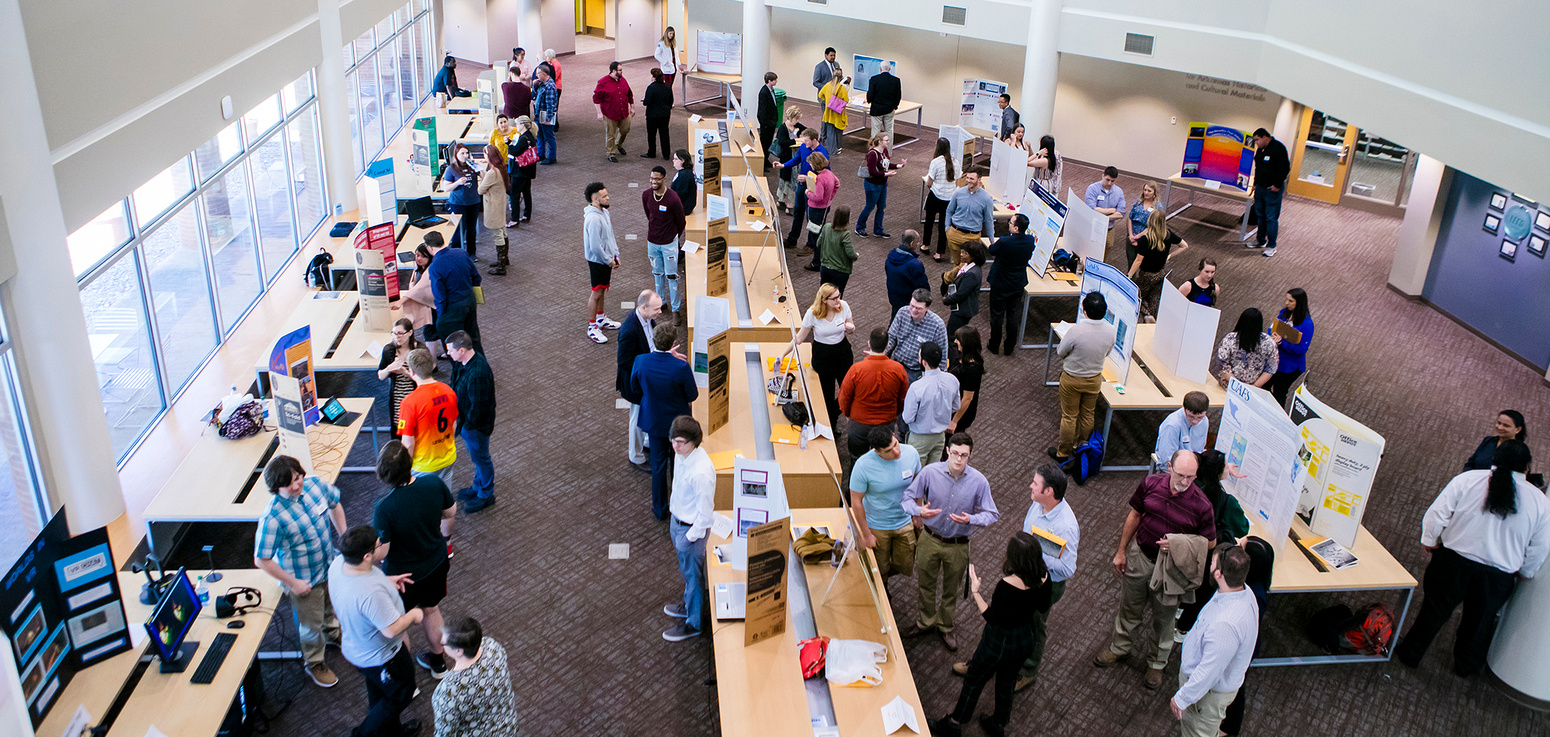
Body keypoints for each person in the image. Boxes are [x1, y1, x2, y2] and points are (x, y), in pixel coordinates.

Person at [1397, 440, 1550, 675]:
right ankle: (1465, 667)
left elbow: (1436, 515)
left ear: (1494, 459)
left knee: (1433, 612)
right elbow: (1540, 546)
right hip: (1497, 577)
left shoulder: (1467, 480)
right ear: (1527, 466)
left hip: (1452, 563)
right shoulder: (1540, 502)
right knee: (1478, 624)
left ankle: (1411, 653)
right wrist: (1525, 572)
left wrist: (1429, 541)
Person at [1094, 450, 1216, 690]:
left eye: (1191, 477)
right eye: (1181, 475)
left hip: (1171, 570)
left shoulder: (1202, 506)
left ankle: (1157, 664)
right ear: (1169, 467)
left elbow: (1210, 543)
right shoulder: (1150, 483)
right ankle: (1119, 647)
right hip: (1140, 556)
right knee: (1129, 607)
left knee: (1164, 619)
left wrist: (1180, 544)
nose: (1185, 482)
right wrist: (1121, 551)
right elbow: (1135, 515)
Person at [927, 532, 1051, 737]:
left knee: (974, 679)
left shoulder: (1007, 585)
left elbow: (992, 617)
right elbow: (1044, 606)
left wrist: (976, 592)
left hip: (999, 640)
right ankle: (998, 724)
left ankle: (954, 724)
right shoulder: (1045, 577)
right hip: (1024, 638)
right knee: (1007, 682)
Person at [254, 455, 346, 688]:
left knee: (330, 605)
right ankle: (314, 662)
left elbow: (335, 503)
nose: (297, 485)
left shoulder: (314, 485)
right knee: (310, 625)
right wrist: (292, 582)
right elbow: (261, 559)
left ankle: (333, 632)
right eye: (289, 484)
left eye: (298, 477)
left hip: (328, 564)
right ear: (276, 488)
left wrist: (344, 538)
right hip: (302, 579)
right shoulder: (272, 517)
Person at [901, 433, 998, 650]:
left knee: (951, 588)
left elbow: (992, 513)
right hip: (930, 538)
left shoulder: (979, 481)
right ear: (947, 451)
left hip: (958, 544)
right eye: (955, 453)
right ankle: (925, 622)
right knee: (925, 583)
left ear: (970, 455)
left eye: (964, 455)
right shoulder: (930, 472)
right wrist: (918, 510)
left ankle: (945, 625)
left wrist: (971, 519)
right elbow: (906, 498)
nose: (958, 459)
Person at [373, 441, 457, 678]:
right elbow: (450, 513)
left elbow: (384, 552)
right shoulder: (432, 482)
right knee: (432, 609)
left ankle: (406, 676)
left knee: (399, 623)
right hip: (436, 562)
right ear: (409, 463)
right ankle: (439, 663)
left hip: (402, 578)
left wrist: (370, 552)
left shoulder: (384, 508)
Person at [330, 525, 423, 737]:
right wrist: (414, 615)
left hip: (357, 647)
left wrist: (386, 582)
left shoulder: (339, 564)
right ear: (366, 556)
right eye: (377, 546)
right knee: (401, 694)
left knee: (379, 694)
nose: (380, 546)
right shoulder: (370, 593)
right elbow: (391, 630)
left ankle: (392, 733)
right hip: (383, 656)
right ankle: (362, 734)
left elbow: (355, 588)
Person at [999, 466, 1079, 693]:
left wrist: (1036, 556)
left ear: (1050, 491)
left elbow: (1067, 569)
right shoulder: (1038, 503)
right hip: (1025, 575)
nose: (1030, 486)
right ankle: (1007, 655)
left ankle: (1028, 671)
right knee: (1015, 618)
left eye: (1035, 484)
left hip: (1046, 585)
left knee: (1034, 626)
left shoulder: (1066, 527)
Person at [1172, 545, 1258, 737]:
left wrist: (1182, 698)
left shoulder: (1225, 625)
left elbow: (1209, 671)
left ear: (1218, 573)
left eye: (1211, 563)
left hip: (1206, 696)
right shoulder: (1243, 591)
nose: (1208, 566)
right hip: (1212, 689)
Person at [1174, 450, 1253, 639]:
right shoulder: (1225, 501)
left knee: (1183, 580)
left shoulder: (1190, 488)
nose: (1229, 467)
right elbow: (1243, 529)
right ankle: (1183, 628)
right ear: (1218, 473)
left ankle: (1178, 608)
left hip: (1183, 546)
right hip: (1209, 552)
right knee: (1203, 592)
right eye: (1226, 466)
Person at [630, 323, 698, 521]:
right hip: (678, 424)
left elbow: (635, 389)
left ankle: (659, 509)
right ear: (673, 343)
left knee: (658, 466)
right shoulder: (681, 367)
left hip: (654, 422)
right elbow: (692, 395)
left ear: (654, 340)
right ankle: (679, 506)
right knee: (679, 465)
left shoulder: (641, 361)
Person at [663, 416, 715, 641]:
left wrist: (688, 538)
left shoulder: (701, 472)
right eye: (673, 440)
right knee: (688, 574)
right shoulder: (683, 454)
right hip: (678, 522)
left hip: (690, 532)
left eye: (680, 442)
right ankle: (688, 606)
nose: (675, 446)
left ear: (694, 441)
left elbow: (705, 516)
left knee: (693, 578)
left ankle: (694, 623)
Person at [849, 426, 923, 581]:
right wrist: (866, 534)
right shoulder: (863, 466)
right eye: (889, 451)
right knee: (878, 568)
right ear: (877, 452)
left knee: (904, 562)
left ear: (894, 436)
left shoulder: (911, 453)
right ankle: (884, 590)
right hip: (877, 525)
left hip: (904, 521)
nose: (896, 452)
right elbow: (856, 502)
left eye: (895, 444)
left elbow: (918, 483)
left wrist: (917, 511)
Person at [1050, 292, 1115, 462]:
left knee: (1069, 416)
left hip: (1072, 377)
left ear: (1085, 311)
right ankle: (1081, 447)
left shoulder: (1076, 331)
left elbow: (1060, 351)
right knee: (1088, 415)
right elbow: (1107, 352)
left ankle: (1063, 452)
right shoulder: (1111, 330)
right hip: (1094, 378)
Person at [432, 616, 521, 736]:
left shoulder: (448, 691)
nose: (441, 644)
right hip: (508, 726)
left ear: (459, 651)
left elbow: (445, 733)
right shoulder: (493, 647)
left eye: (443, 643)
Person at [780, 284, 854, 428]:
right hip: (823, 356)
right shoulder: (813, 313)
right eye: (834, 298)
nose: (839, 301)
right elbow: (799, 338)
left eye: (839, 297)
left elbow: (850, 325)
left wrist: (850, 329)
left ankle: (831, 414)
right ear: (824, 300)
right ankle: (831, 424)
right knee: (827, 394)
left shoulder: (843, 306)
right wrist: (784, 354)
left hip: (842, 352)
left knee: (849, 390)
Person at [838, 328, 910, 463]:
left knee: (857, 460)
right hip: (886, 424)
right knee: (884, 460)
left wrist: (848, 414)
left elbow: (844, 397)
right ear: (887, 345)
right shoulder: (898, 369)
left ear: (869, 344)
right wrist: (893, 414)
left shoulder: (856, 369)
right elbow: (903, 398)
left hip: (859, 424)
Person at [447, 331, 496, 512]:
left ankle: (486, 495)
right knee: (478, 458)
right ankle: (478, 487)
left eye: (450, 351)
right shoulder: (467, 363)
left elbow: (478, 409)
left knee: (482, 459)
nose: (447, 354)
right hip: (469, 424)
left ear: (461, 350)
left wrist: (467, 427)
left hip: (475, 428)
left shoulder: (477, 374)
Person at [397, 348, 458, 484]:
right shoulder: (448, 391)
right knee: (444, 497)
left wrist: (405, 469)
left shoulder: (409, 402)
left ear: (412, 372)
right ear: (431, 366)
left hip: (423, 465)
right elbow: (453, 424)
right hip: (448, 456)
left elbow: (408, 443)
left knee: (424, 502)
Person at [617, 290, 662, 468]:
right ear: (643, 307)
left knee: (647, 411)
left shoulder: (648, 319)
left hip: (645, 377)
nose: (659, 312)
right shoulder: (629, 330)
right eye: (656, 309)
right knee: (636, 419)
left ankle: (646, 441)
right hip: (635, 383)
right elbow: (624, 362)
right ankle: (635, 455)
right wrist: (647, 367)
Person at [985, 214, 1036, 356]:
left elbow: (991, 250)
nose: (1008, 224)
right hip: (1017, 283)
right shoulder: (1030, 241)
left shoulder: (1004, 241)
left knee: (997, 316)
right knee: (1013, 316)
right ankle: (1009, 347)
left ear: (1016, 228)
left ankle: (994, 345)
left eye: (1011, 222)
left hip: (1000, 283)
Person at [901, 341, 959, 463]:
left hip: (919, 437)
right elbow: (955, 406)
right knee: (933, 472)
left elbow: (907, 417)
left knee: (917, 474)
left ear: (924, 362)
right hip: (940, 437)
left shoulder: (917, 387)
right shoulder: (952, 380)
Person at [426, 230, 483, 353]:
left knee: (455, 347)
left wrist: (441, 317)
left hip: (453, 308)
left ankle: (462, 371)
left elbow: (440, 295)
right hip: (470, 300)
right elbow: (476, 277)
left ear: (429, 248)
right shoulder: (461, 253)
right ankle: (481, 367)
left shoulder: (435, 265)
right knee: (474, 339)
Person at [1128, 208, 1189, 320]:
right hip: (1161, 274)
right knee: (1154, 302)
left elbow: (1138, 260)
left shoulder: (1145, 239)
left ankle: (1147, 315)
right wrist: (1169, 255)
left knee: (1134, 297)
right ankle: (1152, 320)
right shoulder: (1168, 235)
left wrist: (1129, 275)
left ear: (1150, 221)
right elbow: (1184, 245)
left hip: (1147, 275)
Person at [774, 128, 827, 250]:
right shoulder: (804, 147)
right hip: (802, 186)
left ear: (814, 140)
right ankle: (793, 239)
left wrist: (808, 178)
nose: (804, 143)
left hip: (813, 189)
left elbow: (825, 174)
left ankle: (811, 245)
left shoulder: (822, 153)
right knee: (798, 213)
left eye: (807, 141)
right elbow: (797, 159)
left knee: (811, 216)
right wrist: (783, 165)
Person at [642, 166, 686, 312]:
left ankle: (675, 309)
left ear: (664, 179)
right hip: (652, 242)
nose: (653, 181)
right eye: (652, 178)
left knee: (672, 276)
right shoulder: (647, 195)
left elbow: (681, 221)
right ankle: (661, 303)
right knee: (657, 274)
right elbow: (650, 216)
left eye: (657, 179)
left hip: (669, 244)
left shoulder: (673, 198)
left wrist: (673, 236)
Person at [582, 182, 622, 345]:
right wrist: (608, 260)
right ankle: (592, 327)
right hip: (598, 261)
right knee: (597, 292)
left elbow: (610, 236)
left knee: (603, 290)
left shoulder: (605, 213)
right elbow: (595, 246)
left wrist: (616, 253)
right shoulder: (592, 219)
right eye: (604, 196)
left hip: (607, 259)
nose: (608, 197)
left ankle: (601, 319)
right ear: (596, 199)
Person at [886, 288, 949, 384]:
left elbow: (942, 355)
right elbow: (891, 337)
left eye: (919, 308)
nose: (913, 310)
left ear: (928, 308)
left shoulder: (937, 325)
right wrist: (880, 354)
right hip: (897, 364)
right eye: (912, 306)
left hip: (917, 372)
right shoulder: (902, 312)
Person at [1267, 288, 1313, 406]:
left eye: (1291, 301)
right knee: (1264, 386)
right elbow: (1272, 328)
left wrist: (1282, 343)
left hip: (1289, 367)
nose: (1286, 303)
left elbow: (1301, 349)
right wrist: (1273, 336)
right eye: (1287, 299)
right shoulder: (1284, 312)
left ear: (1299, 303)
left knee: (1279, 393)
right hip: (1275, 360)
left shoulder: (1307, 325)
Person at [1248, 128, 1290, 257]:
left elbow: (1285, 168)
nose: (1255, 143)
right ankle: (1260, 241)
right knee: (1260, 216)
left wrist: (1277, 185)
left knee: (1271, 218)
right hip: (1260, 187)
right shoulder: (1261, 150)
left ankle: (1272, 245)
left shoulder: (1278, 148)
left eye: (1257, 140)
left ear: (1265, 137)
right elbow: (1258, 167)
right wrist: (1255, 183)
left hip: (1272, 190)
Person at [1213, 308, 1277, 388]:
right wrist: (1254, 386)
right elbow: (1270, 369)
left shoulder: (1230, 339)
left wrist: (1238, 387)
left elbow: (1222, 364)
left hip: (1228, 385)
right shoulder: (1269, 342)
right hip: (1249, 390)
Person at [377, 318, 421, 430]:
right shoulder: (389, 350)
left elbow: (425, 379)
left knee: (416, 428)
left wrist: (405, 373)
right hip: (398, 397)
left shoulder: (419, 351)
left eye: (400, 333)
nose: (397, 337)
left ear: (410, 332)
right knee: (400, 428)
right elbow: (381, 375)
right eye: (394, 333)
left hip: (416, 396)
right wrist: (389, 369)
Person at [798, 151, 839, 269]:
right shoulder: (829, 173)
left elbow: (818, 197)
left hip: (816, 209)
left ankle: (817, 262)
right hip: (826, 207)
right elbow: (837, 184)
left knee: (816, 235)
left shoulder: (820, 178)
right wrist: (830, 197)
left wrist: (808, 192)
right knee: (819, 232)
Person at [439, 143, 482, 258]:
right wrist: (457, 183)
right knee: (457, 230)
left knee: (471, 229)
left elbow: (484, 176)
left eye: (467, 153)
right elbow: (446, 188)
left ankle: (471, 253)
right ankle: (455, 254)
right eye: (462, 153)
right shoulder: (451, 169)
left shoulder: (472, 166)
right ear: (456, 154)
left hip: (473, 202)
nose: (465, 155)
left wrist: (477, 166)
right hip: (458, 204)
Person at [857, 133, 903, 239]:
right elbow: (872, 172)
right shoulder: (872, 154)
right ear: (880, 142)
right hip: (872, 185)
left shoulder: (885, 151)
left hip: (882, 184)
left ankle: (878, 230)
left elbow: (886, 164)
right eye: (886, 140)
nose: (888, 142)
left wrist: (898, 166)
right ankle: (859, 227)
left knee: (881, 208)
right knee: (869, 207)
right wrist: (887, 174)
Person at [944, 172, 994, 266]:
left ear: (979, 179)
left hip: (972, 237)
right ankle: (955, 279)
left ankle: (948, 278)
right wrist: (947, 228)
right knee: (957, 263)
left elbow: (989, 220)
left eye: (971, 179)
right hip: (954, 234)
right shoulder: (959, 193)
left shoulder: (986, 199)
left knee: (967, 266)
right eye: (967, 178)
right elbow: (949, 210)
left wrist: (991, 240)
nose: (968, 181)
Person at [403, 244, 443, 358]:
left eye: (423, 256)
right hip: (428, 307)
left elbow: (421, 290)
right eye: (417, 255)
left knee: (430, 332)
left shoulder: (430, 272)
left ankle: (432, 364)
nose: (418, 259)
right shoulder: (419, 270)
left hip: (433, 307)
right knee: (434, 332)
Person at [942, 241, 985, 346]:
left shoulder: (971, 274)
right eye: (961, 252)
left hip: (963, 310)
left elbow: (961, 294)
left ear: (973, 255)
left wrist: (947, 300)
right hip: (962, 309)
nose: (961, 255)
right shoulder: (969, 267)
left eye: (965, 253)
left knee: (952, 336)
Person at [477, 143, 510, 274]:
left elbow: (480, 190)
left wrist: (480, 178)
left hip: (493, 207)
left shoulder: (492, 173)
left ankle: (501, 266)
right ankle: (504, 259)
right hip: (500, 204)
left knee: (497, 235)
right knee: (503, 231)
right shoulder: (500, 169)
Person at [593, 61, 634, 162]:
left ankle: (618, 144)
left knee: (625, 129)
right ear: (613, 71)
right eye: (620, 70)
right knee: (611, 134)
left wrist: (632, 107)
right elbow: (596, 98)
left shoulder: (623, 80)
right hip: (610, 113)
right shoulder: (603, 82)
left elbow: (629, 94)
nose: (621, 72)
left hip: (623, 112)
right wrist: (599, 113)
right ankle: (611, 153)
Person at [1154, 391, 1210, 465]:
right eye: (1191, 416)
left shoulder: (1204, 421)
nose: (1195, 421)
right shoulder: (1172, 425)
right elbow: (1167, 458)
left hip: (1193, 464)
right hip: (1172, 468)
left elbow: (1200, 450)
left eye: (1200, 417)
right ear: (1184, 409)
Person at [923, 137, 957, 257]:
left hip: (936, 196)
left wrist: (931, 187)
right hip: (949, 198)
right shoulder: (955, 162)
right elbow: (956, 179)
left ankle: (926, 245)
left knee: (929, 222)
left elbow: (929, 181)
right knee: (943, 225)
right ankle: (939, 253)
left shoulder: (936, 162)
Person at [1085, 165, 1128, 258]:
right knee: (1090, 250)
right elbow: (1091, 209)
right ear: (1102, 175)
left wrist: (1104, 216)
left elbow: (1121, 213)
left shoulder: (1118, 192)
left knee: (1106, 251)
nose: (1109, 183)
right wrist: (1111, 210)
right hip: (1093, 226)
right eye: (1107, 180)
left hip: (1109, 228)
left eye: (1112, 181)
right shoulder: (1092, 188)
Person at [947, 327, 984, 434]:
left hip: (960, 414)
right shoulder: (961, 357)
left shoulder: (972, 369)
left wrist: (954, 421)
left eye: (958, 339)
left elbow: (967, 398)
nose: (955, 341)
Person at [812, 205, 858, 291]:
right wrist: (856, 256)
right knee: (836, 297)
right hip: (840, 271)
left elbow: (818, 243)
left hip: (825, 267)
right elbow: (850, 253)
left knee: (824, 295)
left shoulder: (826, 227)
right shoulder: (845, 234)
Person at [884, 231, 930, 314]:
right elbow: (923, 287)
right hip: (909, 303)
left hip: (894, 298)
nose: (919, 244)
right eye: (917, 241)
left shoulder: (890, 257)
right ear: (912, 244)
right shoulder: (915, 265)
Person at [770, 109, 806, 212]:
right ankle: (788, 205)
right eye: (796, 118)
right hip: (787, 157)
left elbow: (806, 130)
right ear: (791, 117)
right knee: (788, 180)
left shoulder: (797, 125)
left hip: (795, 157)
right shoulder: (782, 128)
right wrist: (796, 140)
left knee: (791, 179)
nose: (797, 121)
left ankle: (783, 202)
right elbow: (782, 142)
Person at [507, 115, 538, 230]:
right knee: (526, 192)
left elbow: (514, 151)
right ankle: (526, 214)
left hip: (519, 171)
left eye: (517, 124)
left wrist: (509, 144)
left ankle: (514, 219)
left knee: (514, 194)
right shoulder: (530, 137)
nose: (516, 126)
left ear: (522, 125)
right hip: (528, 170)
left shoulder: (524, 139)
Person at [1126, 181, 1160, 269]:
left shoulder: (1157, 207)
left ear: (1154, 193)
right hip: (1131, 237)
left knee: (1142, 264)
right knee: (1131, 262)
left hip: (1146, 239)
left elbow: (1154, 226)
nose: (1146, 193)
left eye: (1149, 191)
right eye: (1145, 190)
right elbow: (1130, 218)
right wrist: (1131, 235)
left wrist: (1138, 236)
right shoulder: (1138, 202)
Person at [641, 68, 673, 160]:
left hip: (652, 115)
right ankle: (666, 154)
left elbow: (647, 101)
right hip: (665, 114)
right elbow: (671, 101)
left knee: (651, 135)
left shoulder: (651, 87)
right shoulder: (668, 86)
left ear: (653, 77)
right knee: (664, 134)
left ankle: (652, 152)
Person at [867, 61, 902, 142]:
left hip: (876, 109)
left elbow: (870, 95)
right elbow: (898, 95)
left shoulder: (874, 79)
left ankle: (875, 152)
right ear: (889, 69)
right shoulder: (896, 80)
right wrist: (895, 106)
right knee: (889, 131)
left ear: (880, 69)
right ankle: (888, 153)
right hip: (889, 109)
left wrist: (869, 101)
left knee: (875, 132)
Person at [817, 71, 849, 154]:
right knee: (838, 131)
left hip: (828, 112)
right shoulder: (841, 88)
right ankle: (838, 147)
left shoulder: (827, 86)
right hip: (838, 114)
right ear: (841, 77)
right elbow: (846, 100)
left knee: (830, 131)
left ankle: (831, 149)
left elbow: (820, 95)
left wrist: (828, 100)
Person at [532, 64, 559, 164]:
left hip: (546, 116)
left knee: (549, 137)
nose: (536, 76)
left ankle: (551, 157)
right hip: (539, 115)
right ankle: (541, 155)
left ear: (543, 74)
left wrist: (548, 119)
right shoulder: (542, 83)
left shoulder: (549, 87)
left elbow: (550, 105)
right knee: (540, 136)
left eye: (538, 74)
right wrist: (535, 85)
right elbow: (534, 95)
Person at [1028, 134, 1062, 199]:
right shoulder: (1055, 155)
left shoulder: (1044, 161)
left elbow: (1026, 162)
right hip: (1049, 183)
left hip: (1042, 184)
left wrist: (1038, 153)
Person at [669, 149, 697, 215]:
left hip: (683, 208)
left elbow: (680, 194)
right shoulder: (686, 172)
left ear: (682, 161)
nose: (673, 161)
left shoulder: (684, 176)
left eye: (676, 159)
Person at [757, 72, 779, 153]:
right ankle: (764, 160)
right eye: (775, 80)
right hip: (767, 123)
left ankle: (766, 157)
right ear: (769, 81)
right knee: (765, 142)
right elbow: (762, 110)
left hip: (771, 121)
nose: (776, 81)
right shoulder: (764, 92)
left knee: (769, 141)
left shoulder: (771, 90)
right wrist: (765, 124)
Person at [541, 49, 564, 129]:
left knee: (553, 106)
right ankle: (554, 123)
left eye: (547, 56)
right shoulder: (554, 64)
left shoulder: (555, 65)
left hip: (556, 87)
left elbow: (555, 77)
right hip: (556, 86)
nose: (546, 58)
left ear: (551, 56)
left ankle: (554, 124)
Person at [653, 27, 679, 92]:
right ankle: (666, 97)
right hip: (666, 67)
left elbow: (676, 55)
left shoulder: (673, 43)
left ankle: (669, 96)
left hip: (674, 65)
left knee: (671, 84)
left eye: (673, 34)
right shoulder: (661, 43)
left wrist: (679, 64)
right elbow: (657, 55)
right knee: (668, 85)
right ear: (666, 33)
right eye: (670, 34)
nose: (671, 35)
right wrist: (664, 62)